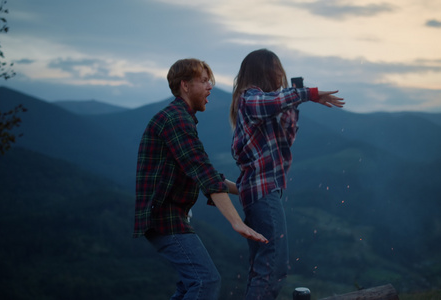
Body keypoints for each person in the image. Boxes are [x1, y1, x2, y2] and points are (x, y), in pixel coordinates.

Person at [134, 58, 268, 300]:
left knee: (189, 286)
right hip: (165, 217)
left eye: (210, 81)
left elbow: (200, 170)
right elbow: (203, 173)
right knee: (205, 281)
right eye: (204, 81)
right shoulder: (176, 120)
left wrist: (247, 190)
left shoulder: (180, 118)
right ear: (185, 85)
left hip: (169, 215)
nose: (210, 87)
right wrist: (237, 222)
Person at [229, 49, 345, 300]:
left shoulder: (263, 105)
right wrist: (309, 94)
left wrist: (296, 98)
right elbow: (271, 102)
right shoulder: (249, 98)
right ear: (263, 71)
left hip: (263, 193)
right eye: (276, 68)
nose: (281, 73)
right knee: (273, 267)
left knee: (262, 268)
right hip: (262, 193)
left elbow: (286, 139)